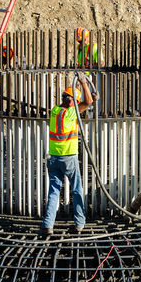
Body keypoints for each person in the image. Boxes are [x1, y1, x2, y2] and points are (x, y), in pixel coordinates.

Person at [39, 73, 94, 236]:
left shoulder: (55, 111)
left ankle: (47, 226)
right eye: (76, 102)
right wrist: (84, 83)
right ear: (73, 102)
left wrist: (88, 96)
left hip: (53, 158)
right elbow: (88, 102)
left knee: (54, 191)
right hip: (69, 158)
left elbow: (86, 102)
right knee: (77, 189)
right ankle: (79, 223)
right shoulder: (71, 113)